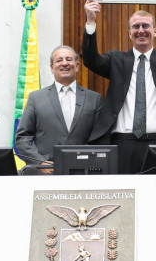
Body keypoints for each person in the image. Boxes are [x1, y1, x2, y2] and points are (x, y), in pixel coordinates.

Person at [82, 0, 156, 174]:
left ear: (154, 32)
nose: (141, 30)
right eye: (136, 27)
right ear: (129, 33)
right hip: (122, 144)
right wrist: (91, 21)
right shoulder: (117, 61)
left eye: (145, 26)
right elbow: (91, 60)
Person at [15, 45, 102, 173]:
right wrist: (40, 163)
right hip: (46, 172)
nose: (65, 63)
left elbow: (100, 139)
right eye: (59, 60)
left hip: (83, 172)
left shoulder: (94, 98)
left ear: (77, 66)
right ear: (51, 68)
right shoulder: (36, 98)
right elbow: (22, 137)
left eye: (69, 59)